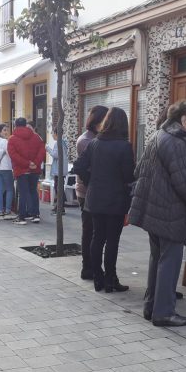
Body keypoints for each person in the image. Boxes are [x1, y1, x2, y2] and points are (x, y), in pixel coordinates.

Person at [129, 101, 186, 327]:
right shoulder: (176, 142)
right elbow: (184, 185)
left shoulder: (160, 135)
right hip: (167, 210)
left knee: (158, 258)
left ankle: (152, 306)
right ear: (184, 120)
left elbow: (143, 170)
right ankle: (164, 312)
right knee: (170, 261)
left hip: (153, 208)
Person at [73, 107, 135, 293]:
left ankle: (98, 277)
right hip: (115, 200)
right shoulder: (124, 147)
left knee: (97, 238)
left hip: (95, 199)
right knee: (112, 241)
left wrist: (91, 181)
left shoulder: (94, 143)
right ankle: (110, 279)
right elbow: (128, 176)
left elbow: (78, 166)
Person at [76, 105, 108, 280]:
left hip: (96, 191)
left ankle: (93, 266)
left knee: (96, 231)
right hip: (87, 192)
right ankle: (87, 267)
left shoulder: (97, 138)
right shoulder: (86, 140)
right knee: (89, 230)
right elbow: (86, 168)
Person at [7, 117, 45, 225]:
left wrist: (27, 163)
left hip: (21, 169)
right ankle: (35, 215)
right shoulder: (36, 137)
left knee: (23, 193)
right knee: (33, 191)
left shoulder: (12, 138)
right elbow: (42, 150)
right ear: (25, 124)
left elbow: (13, 155)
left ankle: (22, 217)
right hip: (35, 169)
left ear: (15, 125)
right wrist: (35, 163)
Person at [46, 129, 69, 215]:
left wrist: (47, 148)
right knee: (59, 188)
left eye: (52, 133)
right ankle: (59, 206)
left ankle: (60, 208)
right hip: (62, 169)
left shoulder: (58, 143)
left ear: (56, 133)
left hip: (59, 169)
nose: (52, 135)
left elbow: (55, 155)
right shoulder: (63, 142)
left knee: (58, 188)